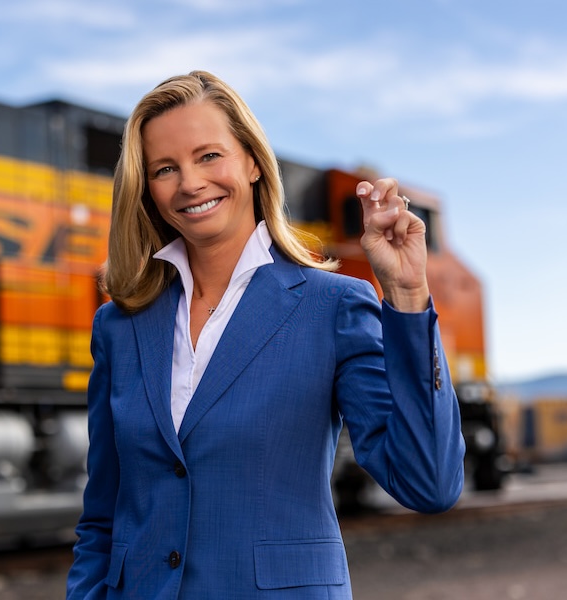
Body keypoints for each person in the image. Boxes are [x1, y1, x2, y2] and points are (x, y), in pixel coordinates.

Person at [66, 70, 465, 600]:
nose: (189, 183)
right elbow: (102, 520)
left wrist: (408, 293)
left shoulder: (334, 307)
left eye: (209, 156)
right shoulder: (119, 327)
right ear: (148, 189)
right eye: (166, 168)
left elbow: (429, 484)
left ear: (253, 161)